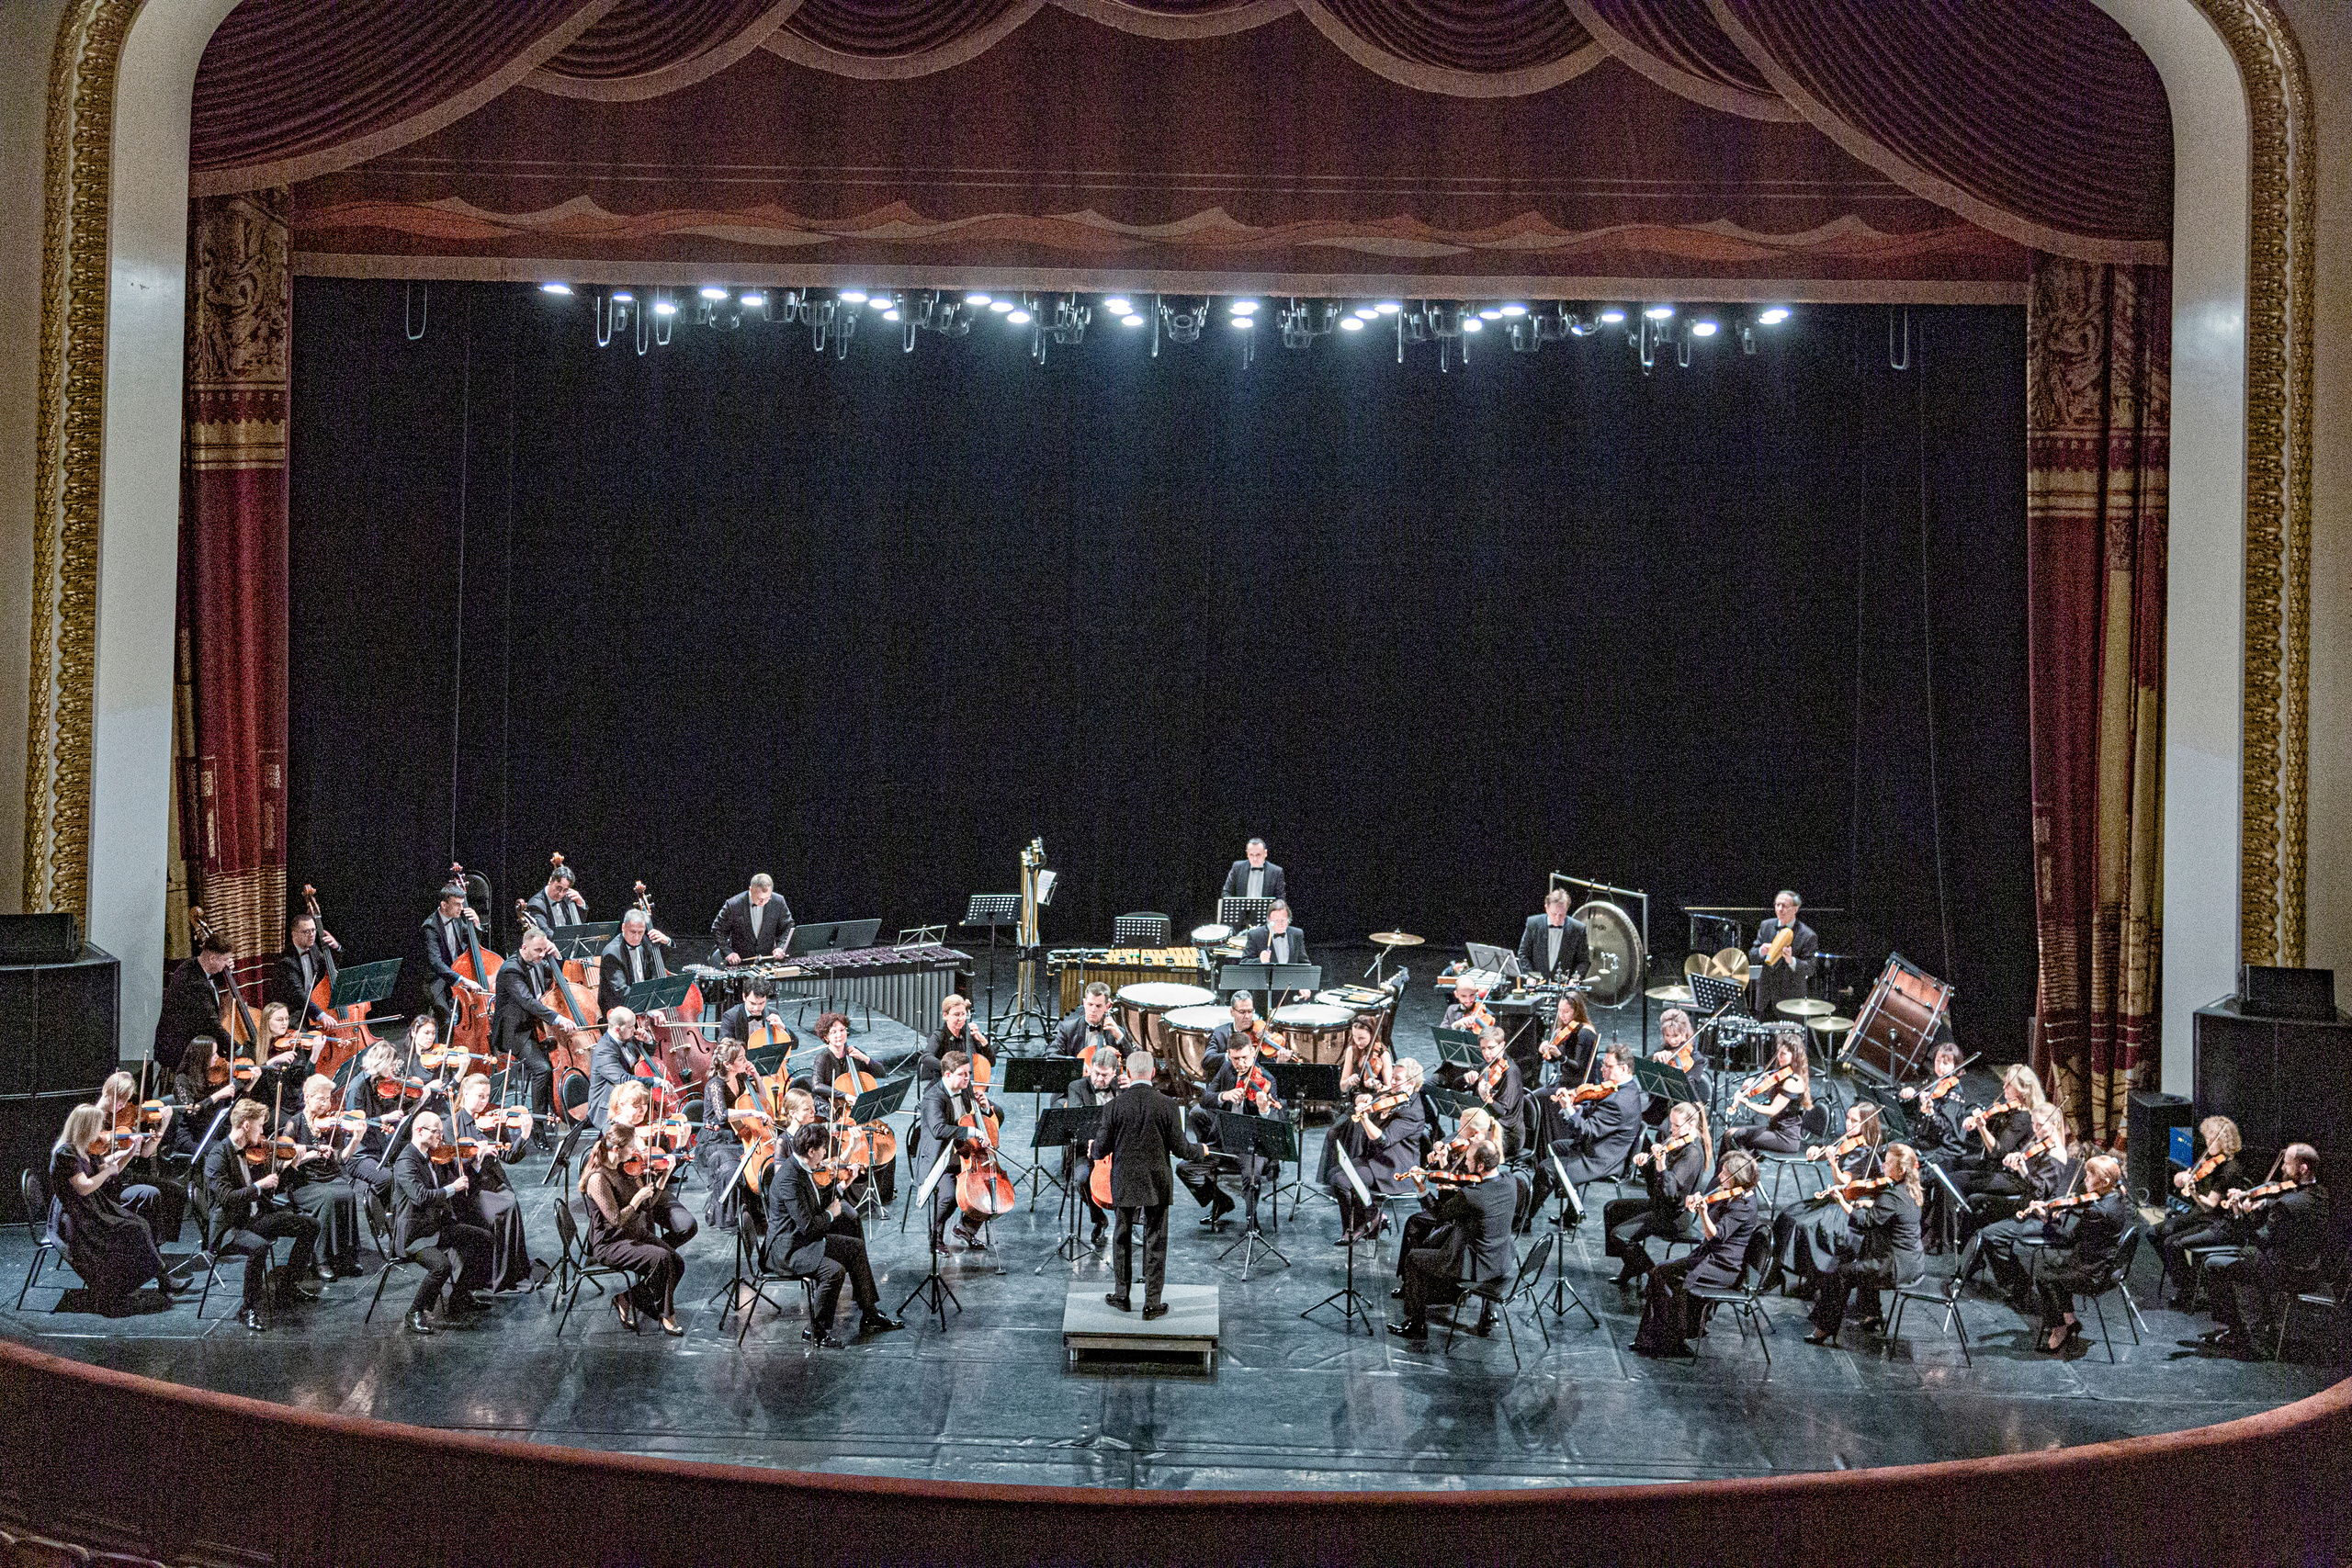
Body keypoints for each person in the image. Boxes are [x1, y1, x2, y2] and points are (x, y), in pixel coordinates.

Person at [763, 1122, 901, 1346]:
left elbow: (813, 1203)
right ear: (811, 1151)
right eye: (823, 1149)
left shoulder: (803, 1168)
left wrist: (842, 1187)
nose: (826, 1154)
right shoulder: (789, 1179)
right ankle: (815, 1331)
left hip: (803, 1241)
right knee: (834, 1271)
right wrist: (830, 1214)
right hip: (789, 1250)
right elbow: (808, 1225)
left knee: (855, 1247)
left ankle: (869, 1313)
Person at [1091, 1052, 1204, 1319]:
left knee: (1121, 1237)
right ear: (1153, 1073)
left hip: (1124, 1180)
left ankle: (1121, 1296)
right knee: (1156, 1239)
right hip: (1157, 1181)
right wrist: (1202, 1151)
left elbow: (1099, 1151)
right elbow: (1180, 1148)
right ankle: (1152, 1303)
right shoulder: (1167, 1105)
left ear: (1127, 1075)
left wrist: (1094, 1147)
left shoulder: (1114, 1107)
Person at [2199, 1144, 2330, 1360]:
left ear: (2304, 1168)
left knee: (2218, 1265)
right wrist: (2264, 1203)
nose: (2283, 1170)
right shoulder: (2320, 1194)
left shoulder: (2287, 1205)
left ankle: (2246, 1333)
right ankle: (2257, 1325)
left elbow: (2258, 1239)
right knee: (2244, 1261)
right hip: (2310, 1268)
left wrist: (2243, 1214)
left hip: (2287, 1271)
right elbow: (2286, 1205)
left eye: (2288, 1165)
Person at [201, 1099, 321, 1333]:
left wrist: (292, 1167)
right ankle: (247, 1308)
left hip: (254, 1219)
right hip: (230, 1228)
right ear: (246, 1125)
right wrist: (258, 1186)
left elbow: (274, 1188)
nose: (264, 1132)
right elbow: (227, 1197)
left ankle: (287, 1286)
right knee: (259, 1247)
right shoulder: (217, 1156)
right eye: (260, 1127)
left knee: (310, 1225)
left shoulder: (254, 1151)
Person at [1631, 1150, 1763, 1358]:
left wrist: (1702, 1212)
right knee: (1660, 1273)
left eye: (1725, 1174)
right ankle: (1656, 1339)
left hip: (1724, 1267)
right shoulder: (1728, 1190)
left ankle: (1674, 1341)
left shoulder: (1745, 1206)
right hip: (1709, 1256)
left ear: (1738, 1180)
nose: (1720, 1176)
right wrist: (1696, 1199)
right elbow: (1707, 1197)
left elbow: (1715, 1235)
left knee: (1667, 1276)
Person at [47, 1104, 176, 1315]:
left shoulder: (85, 1149)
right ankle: (126, 1289)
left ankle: (155, 1279)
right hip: (77, 1216)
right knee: (132, 1230)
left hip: (92, 1206)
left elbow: (107, 1170)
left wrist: (129, 1152)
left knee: (140, 1223)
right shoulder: (66, 1154)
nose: (101, 1133)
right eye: (97, 1127)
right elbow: (84, 1187)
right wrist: (108, 1172)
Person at [1389, 1141, 1516, 1343]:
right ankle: (1487, 1316)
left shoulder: (1471, 1196)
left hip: (1477, 1265)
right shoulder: (1510, 1181)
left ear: (1481, 1166)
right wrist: (1454, 1183)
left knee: (1414, 1258)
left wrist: (1421, 1186)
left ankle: (1416, 1324)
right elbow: (1482, 1192)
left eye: (1468, 1159)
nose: (1464, 1162)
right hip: (1502, 1258)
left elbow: (1438, 1214)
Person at [1806, 1143, 1928, 1345]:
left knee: (1842, 1273)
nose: (1883, 1168)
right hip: (1912, 1262)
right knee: (1862, 1257)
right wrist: (1867, 1203)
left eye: (1888, 1164)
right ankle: (1872, 1313)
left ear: (1901, 1170)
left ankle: (1824, 1329)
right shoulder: (1911, 1191)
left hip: (1895, 1267)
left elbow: (1864, 1222)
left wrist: (1842, 1201)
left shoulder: (1892, 1196)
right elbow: (1887, 1215)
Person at [2019, 1153, 2135, 1354]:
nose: (2085, 1180)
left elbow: (2068, 1240)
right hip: (2106, 1265)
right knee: (2056, 1268)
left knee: (2045, 1278)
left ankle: (2059, 1330)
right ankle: (2070, 1320)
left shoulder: (2097, 1212)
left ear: (2104, 1181)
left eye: (2090, 1176)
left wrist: (2047, 1219)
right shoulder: (2118, 1197)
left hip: (2093, 1274)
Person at [579, 1123, 686, 1336]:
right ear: (616, 1150)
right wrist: (637, 1199)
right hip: (609, 1243)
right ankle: (667, 1316)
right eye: (630, 1147)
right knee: (662, 1259)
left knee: (677, 1262)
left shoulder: (625, 1166)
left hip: (631, 1233)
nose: (635, 1152)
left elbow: (648, 1205)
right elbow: (616, 1220)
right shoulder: (598, 1178)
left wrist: (664, 1176)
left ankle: (627, 1298)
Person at [390, 1111, 492, 1336]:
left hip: (436, 1227)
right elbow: (421, 1196)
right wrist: (451, 1188)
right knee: (441, 1266)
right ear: (419, 1131)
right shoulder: (406, 1161)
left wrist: (473, 1167)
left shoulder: (435, 1157)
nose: (440, 1137)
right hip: (414, 1235)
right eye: (436, 1132)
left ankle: (460, 1296)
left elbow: (459, 1189)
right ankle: (415, 1312)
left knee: (483, 1238)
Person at [1966, 1104, 2081, 1303]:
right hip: (2023, 1202)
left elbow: (2039, 1192)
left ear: (2054, 1125)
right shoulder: (2039, 1143)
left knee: (1991, 1235)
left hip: (2039, 1215)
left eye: (2039, 1125)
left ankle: (2017, 1281)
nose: (2035, 1130)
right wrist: (2014, 1160)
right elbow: (2024, 1172)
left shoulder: (2056, 1156)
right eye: (2033, 1125)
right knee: (1977, 1204)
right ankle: (1972, 1263)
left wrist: (2023, 1171)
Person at [1770, 1101, 1887, 1296]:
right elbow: (1827, 1155)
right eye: (1848, 1119)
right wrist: (1816, 1152)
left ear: (1866, 1124)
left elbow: (1843, 1181)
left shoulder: (1864, 1151)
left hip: (1849, 1207)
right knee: (1789, 1215)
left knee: (1807, 1227)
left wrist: (1833, 1164)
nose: (1848, 1124)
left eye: (1854, 1121)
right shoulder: (1848, 1142)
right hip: (1837, 1200)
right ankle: (1786, 1274)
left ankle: (1813, 1281)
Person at [1178, 1031, 1283, 1233]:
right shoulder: (1226, 1069)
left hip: (1252, 1146)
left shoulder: (1267, 1079)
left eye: (1245, 1058)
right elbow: (1205, 1099)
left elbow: (1276, 1120)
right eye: (1236, 1059)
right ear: (1229, 1055)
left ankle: (1252, 1222)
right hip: (1223, 1141)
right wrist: (1224, 1095)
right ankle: (1221, 1200)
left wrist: (1264, 1110)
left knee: (1251, 1177)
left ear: (1253, 1052)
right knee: (1185, 1168)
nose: (1241, 1064)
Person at [1531, 1045, 1646, 1220]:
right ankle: (1572, 1214)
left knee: (1546, 1169)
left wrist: (1569, 1110)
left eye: (1607, 1066)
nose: (1602, 1069)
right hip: (1605, 1147)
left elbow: (1587, 1132)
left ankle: (1522, 1220)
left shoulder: (1619, 1101)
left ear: (1623, 1069)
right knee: (1556, 1147)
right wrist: (1579, 1108)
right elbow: (1597, 1112)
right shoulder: (1626, 1089)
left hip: (1603, 1159)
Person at [1602, 1101, 1710, 1289]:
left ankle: (1654, 1276)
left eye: (1676, 1126)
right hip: (1661, 1206)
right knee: (1613, 1209)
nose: (1671, 1130)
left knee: (1620, 1235)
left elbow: (1669, 1194)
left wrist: (1660, 1164)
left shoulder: (1692, 1154)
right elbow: (1657, 1187)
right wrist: (1646, 1162)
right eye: (1671, 1124)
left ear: (1691, 1125)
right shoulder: (1676, 1141)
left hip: (1674, 1216)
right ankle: (1631, 1265)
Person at [450, 1073, 536, 1292]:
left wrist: (523, 1137)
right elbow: (452, 1166)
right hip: (472, 1188)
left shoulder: (493, 1120)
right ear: (466, 1094)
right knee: (505, 1207)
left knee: (511, 1201)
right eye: (479, 1096)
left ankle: (513, 1271)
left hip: (495, 1181)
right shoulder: (454, 1123)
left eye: (487, 1096)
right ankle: (496, 1273)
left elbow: (509, 1157)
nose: (484, 1102)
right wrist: (477, 1158)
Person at [1328, 1057, 1427, 1243]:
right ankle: (1374, 1217)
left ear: (1412, 1084)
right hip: (1376, 1160)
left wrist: (1365, 1119)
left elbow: (1383, 1140)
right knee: (1334, 1173)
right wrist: (1362, 1099)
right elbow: (1359, 1098)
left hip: (1394, 1168)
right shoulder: (1392, 1097)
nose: (1392, 1083)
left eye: (1398, 1079)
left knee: (1341, 1181)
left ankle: (1358, 1227)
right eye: (1393, 1078)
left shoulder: (1412, 1112)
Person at [278, 1073, 367, 1278]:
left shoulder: (331, 1124)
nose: (326, 1104)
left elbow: (341, 1158)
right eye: (321, 1099)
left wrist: (356, 1139)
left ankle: (345, 1257)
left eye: (328, 1099)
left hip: (330, 1175)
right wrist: (309, 1154)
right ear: (307, 1098)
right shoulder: (294, 1124)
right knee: (328, 1198)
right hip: (303, 1181)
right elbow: (282, 1162)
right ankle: (321, 1260)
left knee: (347, 1193)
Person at [2154, 1114, 2246, 1305]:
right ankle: (2189, 1280)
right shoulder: (2210, 1161)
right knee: (2154, 1233)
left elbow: (2211, 1205)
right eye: (2207, 1138)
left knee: (2173, 1243)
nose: (2208, 1142)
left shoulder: (2230, 1169)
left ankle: (2188, 1290)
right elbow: (2185, 1178)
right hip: (2201, 1216)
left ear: (2225, 1140)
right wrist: (2180, 1178)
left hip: (2217, 1222)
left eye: (2213, 1139)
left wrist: (2194, 1193)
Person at [916, 1050, 1000, 1253]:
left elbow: (989, 1116)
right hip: (940, 1157)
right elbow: (938, 1130)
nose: (968, 1078)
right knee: (949, 1196)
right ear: (947, 1075)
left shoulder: (966, 1088)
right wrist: (972, 1130)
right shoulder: (932, 1098)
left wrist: (986, 1108)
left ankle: (965, 1229)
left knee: (991, 1190)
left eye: (968, 1074)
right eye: (963, 1074)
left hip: (965, 1152)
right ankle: (935, 1238)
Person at [490, 925, 565, 1143]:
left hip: (538, 1027)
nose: (542, 955)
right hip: (516, 1032)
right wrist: (558, 1018)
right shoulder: (510, 970)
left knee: (555, 1064)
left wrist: (556, 957)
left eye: (544, 950)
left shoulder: (538, 962)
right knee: (542, 1069)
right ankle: (537, 1130)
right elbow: (527, 1001)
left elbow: (555, 978)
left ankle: (560, 1114)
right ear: (524, 947)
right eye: (537, 951)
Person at [603, 1080, 698, 1247]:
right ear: (622, 1105)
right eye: (636, 1106)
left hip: (652, 1190)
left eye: (645, 1105)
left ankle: (662, 1253)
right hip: (629, 1198)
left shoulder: (642, 1131)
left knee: (688, 1226)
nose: (642, 1111)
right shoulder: (611, 1132)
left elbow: (662, 1165)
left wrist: (680, 1146)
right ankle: (658, 1257)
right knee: (645, 1234)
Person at [89, 1069, 180, 1240]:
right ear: (108, 1093)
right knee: (151, 1193)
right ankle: (149, 1246)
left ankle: (155, 1244)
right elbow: (97, 1164)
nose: (123, 1105)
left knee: (175, 1191)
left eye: (127, 1100)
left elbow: (145, 1153)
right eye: (120, 1100)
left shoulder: (122, 1117)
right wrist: (125, 1153)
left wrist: (163, 1125)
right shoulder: (93, 1121)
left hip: (123, 1175)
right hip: (106, 1185)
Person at [1062, 1047, 1125, 1247]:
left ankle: (1127, 1224)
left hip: (1116, 1149)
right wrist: (1092, 1141)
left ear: (1114, 1073)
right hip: (1086, 1149)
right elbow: (1074, 1122)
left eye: (1105, 1075)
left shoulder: (1122, 1087)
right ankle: (1099, 1220)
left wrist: (1132, 1092)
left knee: (1135, 1173)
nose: (1098, 1079)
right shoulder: (1077, 1087)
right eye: (1095, 1073)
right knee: (1081, 1179)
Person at [153, 929, 237, 1075]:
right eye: (224, 960)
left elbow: (210, 983)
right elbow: (210, 1024)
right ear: (212, 958)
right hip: (180, 1053)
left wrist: (224, 968)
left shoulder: (193, 966)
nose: (226, 964)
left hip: (187, 1046)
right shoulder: (194, 982)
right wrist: (237, 1048)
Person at [698, 1041, 760, 1231]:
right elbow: (722, 1115)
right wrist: (750, 1113)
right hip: (717, 1137)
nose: (745, 1061)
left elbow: (760, 1100)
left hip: (737, 1133)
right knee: (733, 1168)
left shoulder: (741, 1078)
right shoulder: (714, 1085)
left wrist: (756, 1076)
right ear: (727, 1064)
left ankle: (754, 1209)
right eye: (741, 1059)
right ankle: (727, 1213)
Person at [1725, 1030, 1813, 1155]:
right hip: (1775, 1130)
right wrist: (1752, 1083)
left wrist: (1748, 1103)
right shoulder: (1782, 1076)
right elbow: (1768, 1089)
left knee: (1734, 1137)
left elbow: (1773, 1111)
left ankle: (1739, 1171)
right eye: (1779, 1053)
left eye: (1784, 1054)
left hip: (1786, 1138)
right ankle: (1724, 1173)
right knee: (1729, 1134)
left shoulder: (1793, 1082)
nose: (1779, 1057)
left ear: (1794, 1056)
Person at [419, 880, 490, 1032]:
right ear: (444, 905)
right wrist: (463, 980)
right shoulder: (430, 927)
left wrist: (476, 924)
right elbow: (436, 963)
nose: (462, 908)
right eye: (457, 904)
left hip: (456, 973)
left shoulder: (457, 919)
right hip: (437, 980)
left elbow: (473, 944)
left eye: (462, 903)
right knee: (448, 1020)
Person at [1747, 889, 1819, 1021]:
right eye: (1777, 905)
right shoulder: (1766, 926)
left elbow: (1810, 968)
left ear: (1795, 909)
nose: (1780, 909)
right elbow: (1752, 955)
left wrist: (1791, 960)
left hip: (1790, 1003)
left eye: (1784, 906)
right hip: (1764, 1000)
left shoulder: (1808, 935)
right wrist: (1760, 952)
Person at [587, 1007, 658, 1131]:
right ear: (617, 1029)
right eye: (631, 1027)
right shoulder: (604, 1050)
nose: (635, 1030)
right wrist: (654, 1082)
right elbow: (623, 1080)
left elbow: (642, 1064)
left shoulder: (628, 1039)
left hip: (631, 1101)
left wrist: (648, 1041)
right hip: (609, 1108)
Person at [267, 909, 339, 1027]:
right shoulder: (286, 962)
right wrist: (321, 1015)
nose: (312, 935)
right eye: (306, 932)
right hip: (295, 1012)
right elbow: (298, 994)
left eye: (313, 930)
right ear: (294, 934)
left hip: (313, 1004)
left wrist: (336, 948)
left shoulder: (314, 949)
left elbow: (328, 970)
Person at [597, 907, 670, 1015]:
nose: (637, 937)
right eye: (633, 932)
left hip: (643, 1006)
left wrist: (667, 941)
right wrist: (648, 1010)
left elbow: (658, 967)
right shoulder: (612, 953)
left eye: (640, 932)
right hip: (619, 1013)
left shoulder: (645, 942)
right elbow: (622, 992)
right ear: (623, 927)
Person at [1238, 901, 1312, 1002]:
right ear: (1269, 920)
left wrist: (1304, 985)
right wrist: (1259, 960)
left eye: (1283, 920)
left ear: (1289, 919)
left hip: (1290, 995)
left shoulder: (1296, 934)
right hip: (1265, 996)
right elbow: (1244, 963)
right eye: (1276, 921)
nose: (1280, 924)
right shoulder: (1256, 935)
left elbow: (1304, 963)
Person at [1470, 1026, 1525, 1158]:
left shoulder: (1511, 1072)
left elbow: (1503, 1111)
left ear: (1502, 1045)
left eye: (1491, 1048)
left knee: (1473, 1152)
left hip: (1509, 1134)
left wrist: (1487, 1099)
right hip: (1487, 1127)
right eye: (1483, 1048)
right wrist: (1468, 1075)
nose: (1486, 1053)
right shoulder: (1487, 1065)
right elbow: (1458, 1084)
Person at [712, 873, 791, 964]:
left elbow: (788, 926)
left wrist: (780, 947)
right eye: (759, 898)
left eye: (767, 898)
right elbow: (717, 929)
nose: (763, 902)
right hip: (741, 962)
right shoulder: (733, 904)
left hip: (768, 962)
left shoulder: (778, 901)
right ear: (751, 889)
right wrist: (728, 952)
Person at [920, 994, 991, 1089]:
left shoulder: (969, 1034)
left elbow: (992, 1062)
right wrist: (951, 1068)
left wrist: (982, 1040)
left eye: (963, 1014)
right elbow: (926, 1057)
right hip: (945, 1086)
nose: (961, 1019)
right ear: (945, 1015)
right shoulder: (940, 1035)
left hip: (969, 1088)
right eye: (956, 1015)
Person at [1517, 888, 1589, 983]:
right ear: (1546, 908)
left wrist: (1575, 978)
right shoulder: (1533, 923)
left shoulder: (1578, 929)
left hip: (1564, 988)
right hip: (1537, 985)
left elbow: (1583, 961)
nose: (1557, 919)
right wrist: (1529, 976)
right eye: (1554, 914)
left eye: (1562, 915)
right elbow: (1523, 953)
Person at [1055, 981, 1128, 1067]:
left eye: (1098, 1006)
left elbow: (1132, 1062)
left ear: (1107, 1007)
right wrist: (1075, 1065)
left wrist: (1120, 1037)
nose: (1093, 1010)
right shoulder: (1069, 1028)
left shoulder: (1117, 1032)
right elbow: (1051, 1054)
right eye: (1090, 1004)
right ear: (1084, 1003)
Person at [718, 978, 790, 1052]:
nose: (756, 1008)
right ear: (744, 997)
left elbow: (794, 1046)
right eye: (752, 1003)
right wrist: (728, 1043)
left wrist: (783, 1029)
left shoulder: (772, 1013)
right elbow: (723, 1043)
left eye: (761, 1003)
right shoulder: (731, 1016)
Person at [524, 854, 588, 933]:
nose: (561, 894)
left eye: (565, 890)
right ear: (550, 881)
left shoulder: (567, 898)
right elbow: (545, 932)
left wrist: (581, 904)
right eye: (558, 888)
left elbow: (579, 925)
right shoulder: (536, 904)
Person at [1221, 838, 1285, 903]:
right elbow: (1226, 892)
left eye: (1258, 855)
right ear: (1247, 854)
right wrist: (1236, 907)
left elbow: (1280, 899)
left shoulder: (1276, 872)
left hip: (1266, 912)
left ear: (1265, 853)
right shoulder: (1237, 868)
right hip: (1241, 912)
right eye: (1251, 855)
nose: (1255, 859)